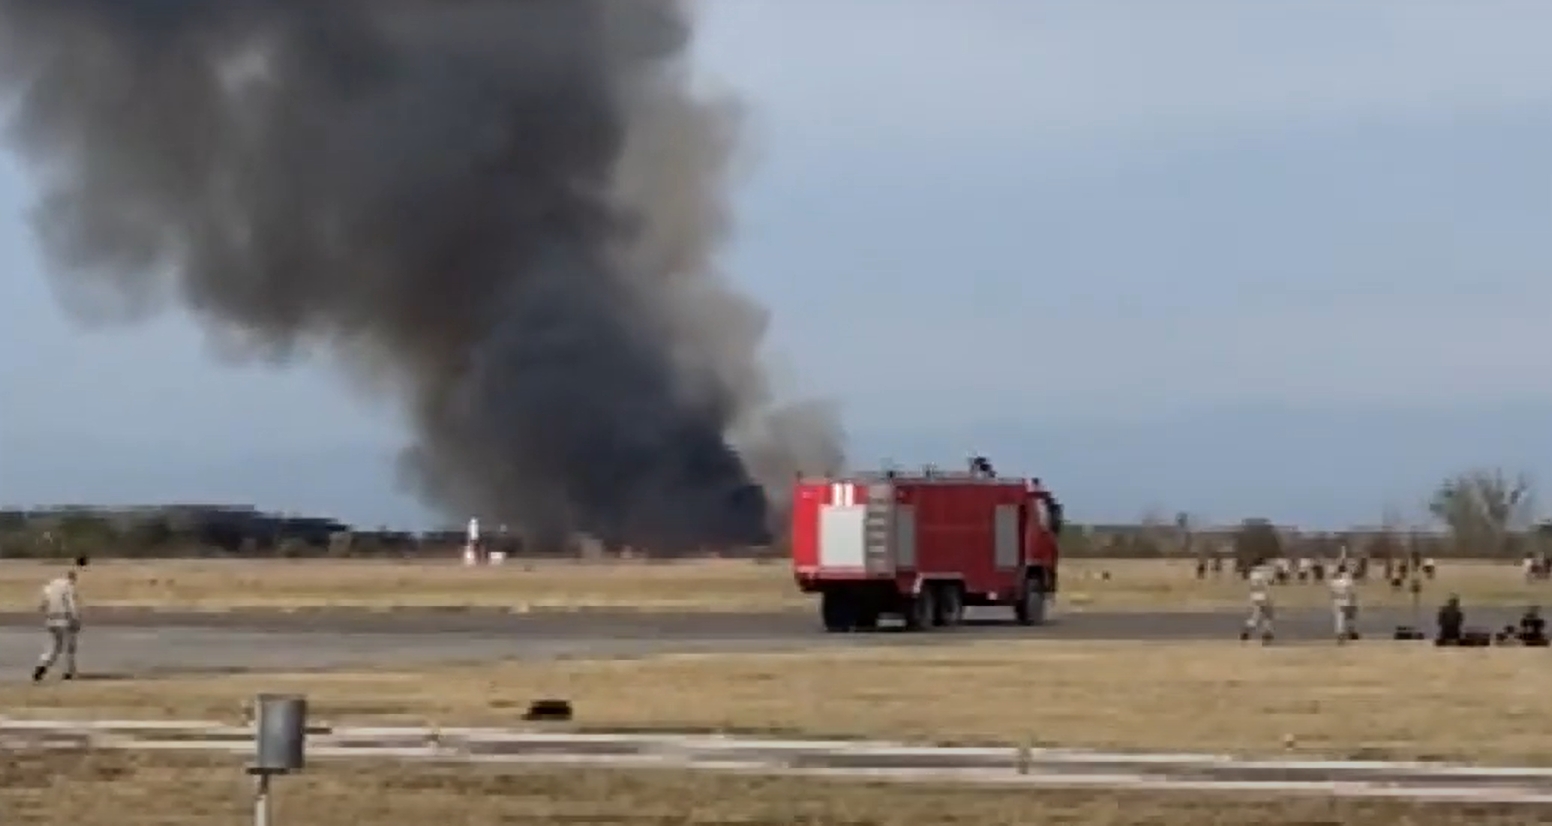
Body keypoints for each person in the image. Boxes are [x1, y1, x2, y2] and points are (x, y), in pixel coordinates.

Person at [32, 557, 87, 682]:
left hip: (51, 620)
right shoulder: (68, 586)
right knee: (70, 647)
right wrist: (76, 620)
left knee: (53, 647)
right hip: (64, 620)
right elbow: (71, 604)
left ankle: (42, 666)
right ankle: (69, 672)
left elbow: (41, 605)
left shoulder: (49, 586)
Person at [1240, 564, 1275, 644]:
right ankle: (1266, 633)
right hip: (1263, 596)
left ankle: (1247, 631)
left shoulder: (1253, 573)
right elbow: (1268, 584)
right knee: (1267, 615)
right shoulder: (1265, 572)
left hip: (1255, 596)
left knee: (1256, 616)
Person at [1330, 567, 1359, 643]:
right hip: (1345, 600)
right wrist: (1353, 600)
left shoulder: (1333, 582)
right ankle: (1350, 631)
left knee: (1339, 617)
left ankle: (1341, 633)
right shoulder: (1347, 581)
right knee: (1349, 617)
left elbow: (1332, 593)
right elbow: (1352, 592)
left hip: (1336, 600)